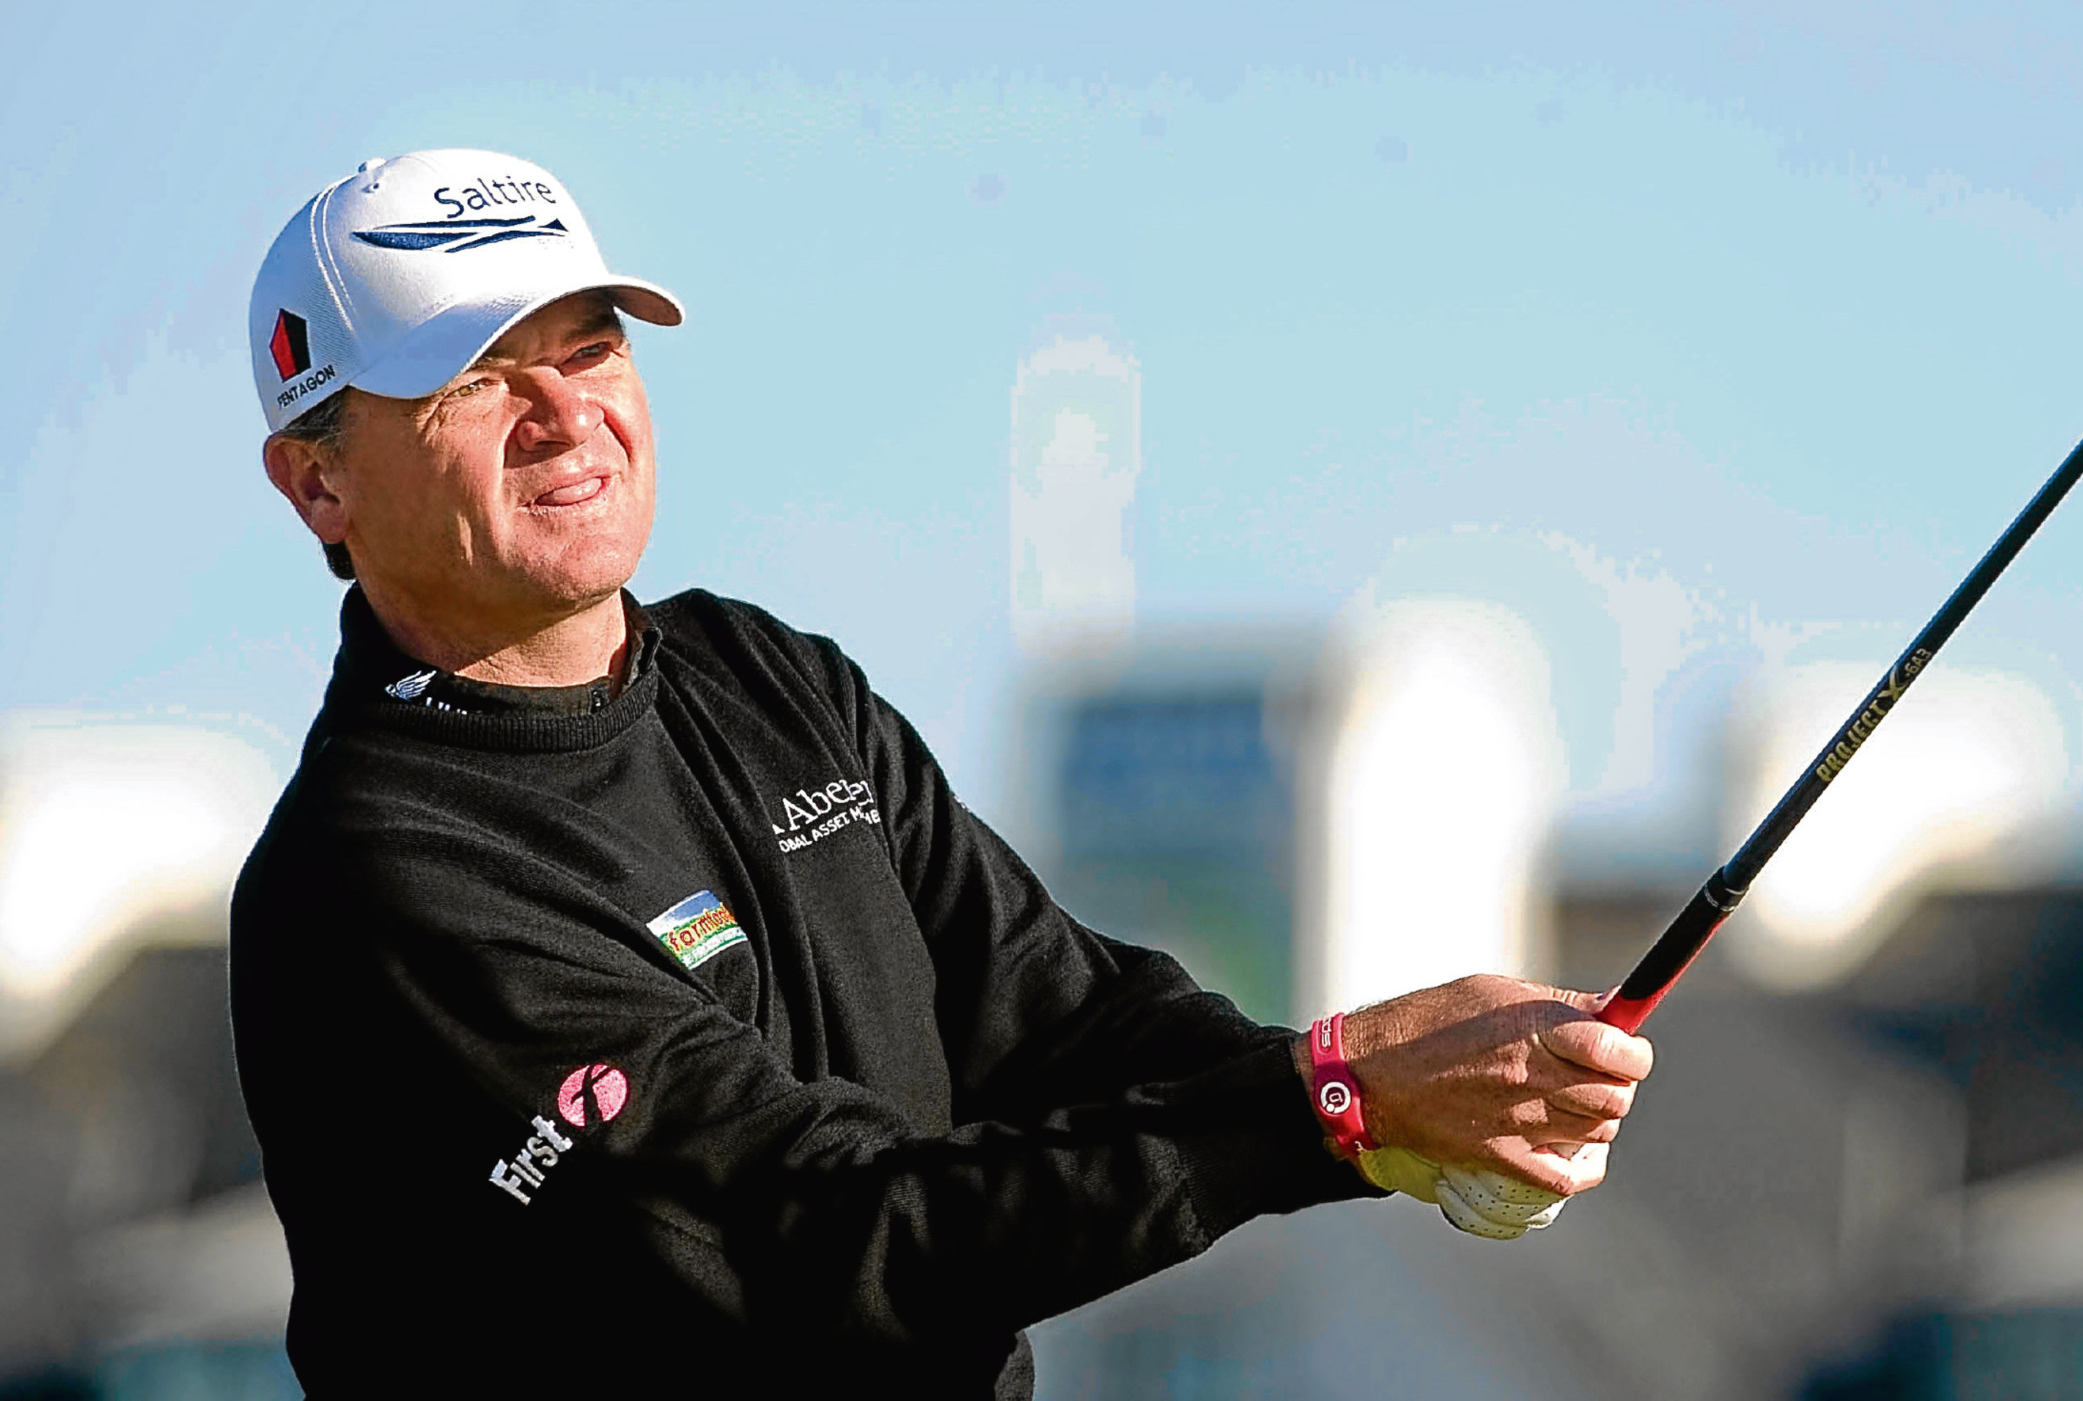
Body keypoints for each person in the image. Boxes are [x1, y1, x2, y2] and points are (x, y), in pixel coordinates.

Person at [230, 150, 1653, 1398]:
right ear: (318, 483)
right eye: (477, 375)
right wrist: (1329, 1102)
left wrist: (1402, 1111)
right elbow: (835, 1237)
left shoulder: (765, 676)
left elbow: (1063, 1022)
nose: (561, 411)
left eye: (590, 345)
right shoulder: (378, 878)